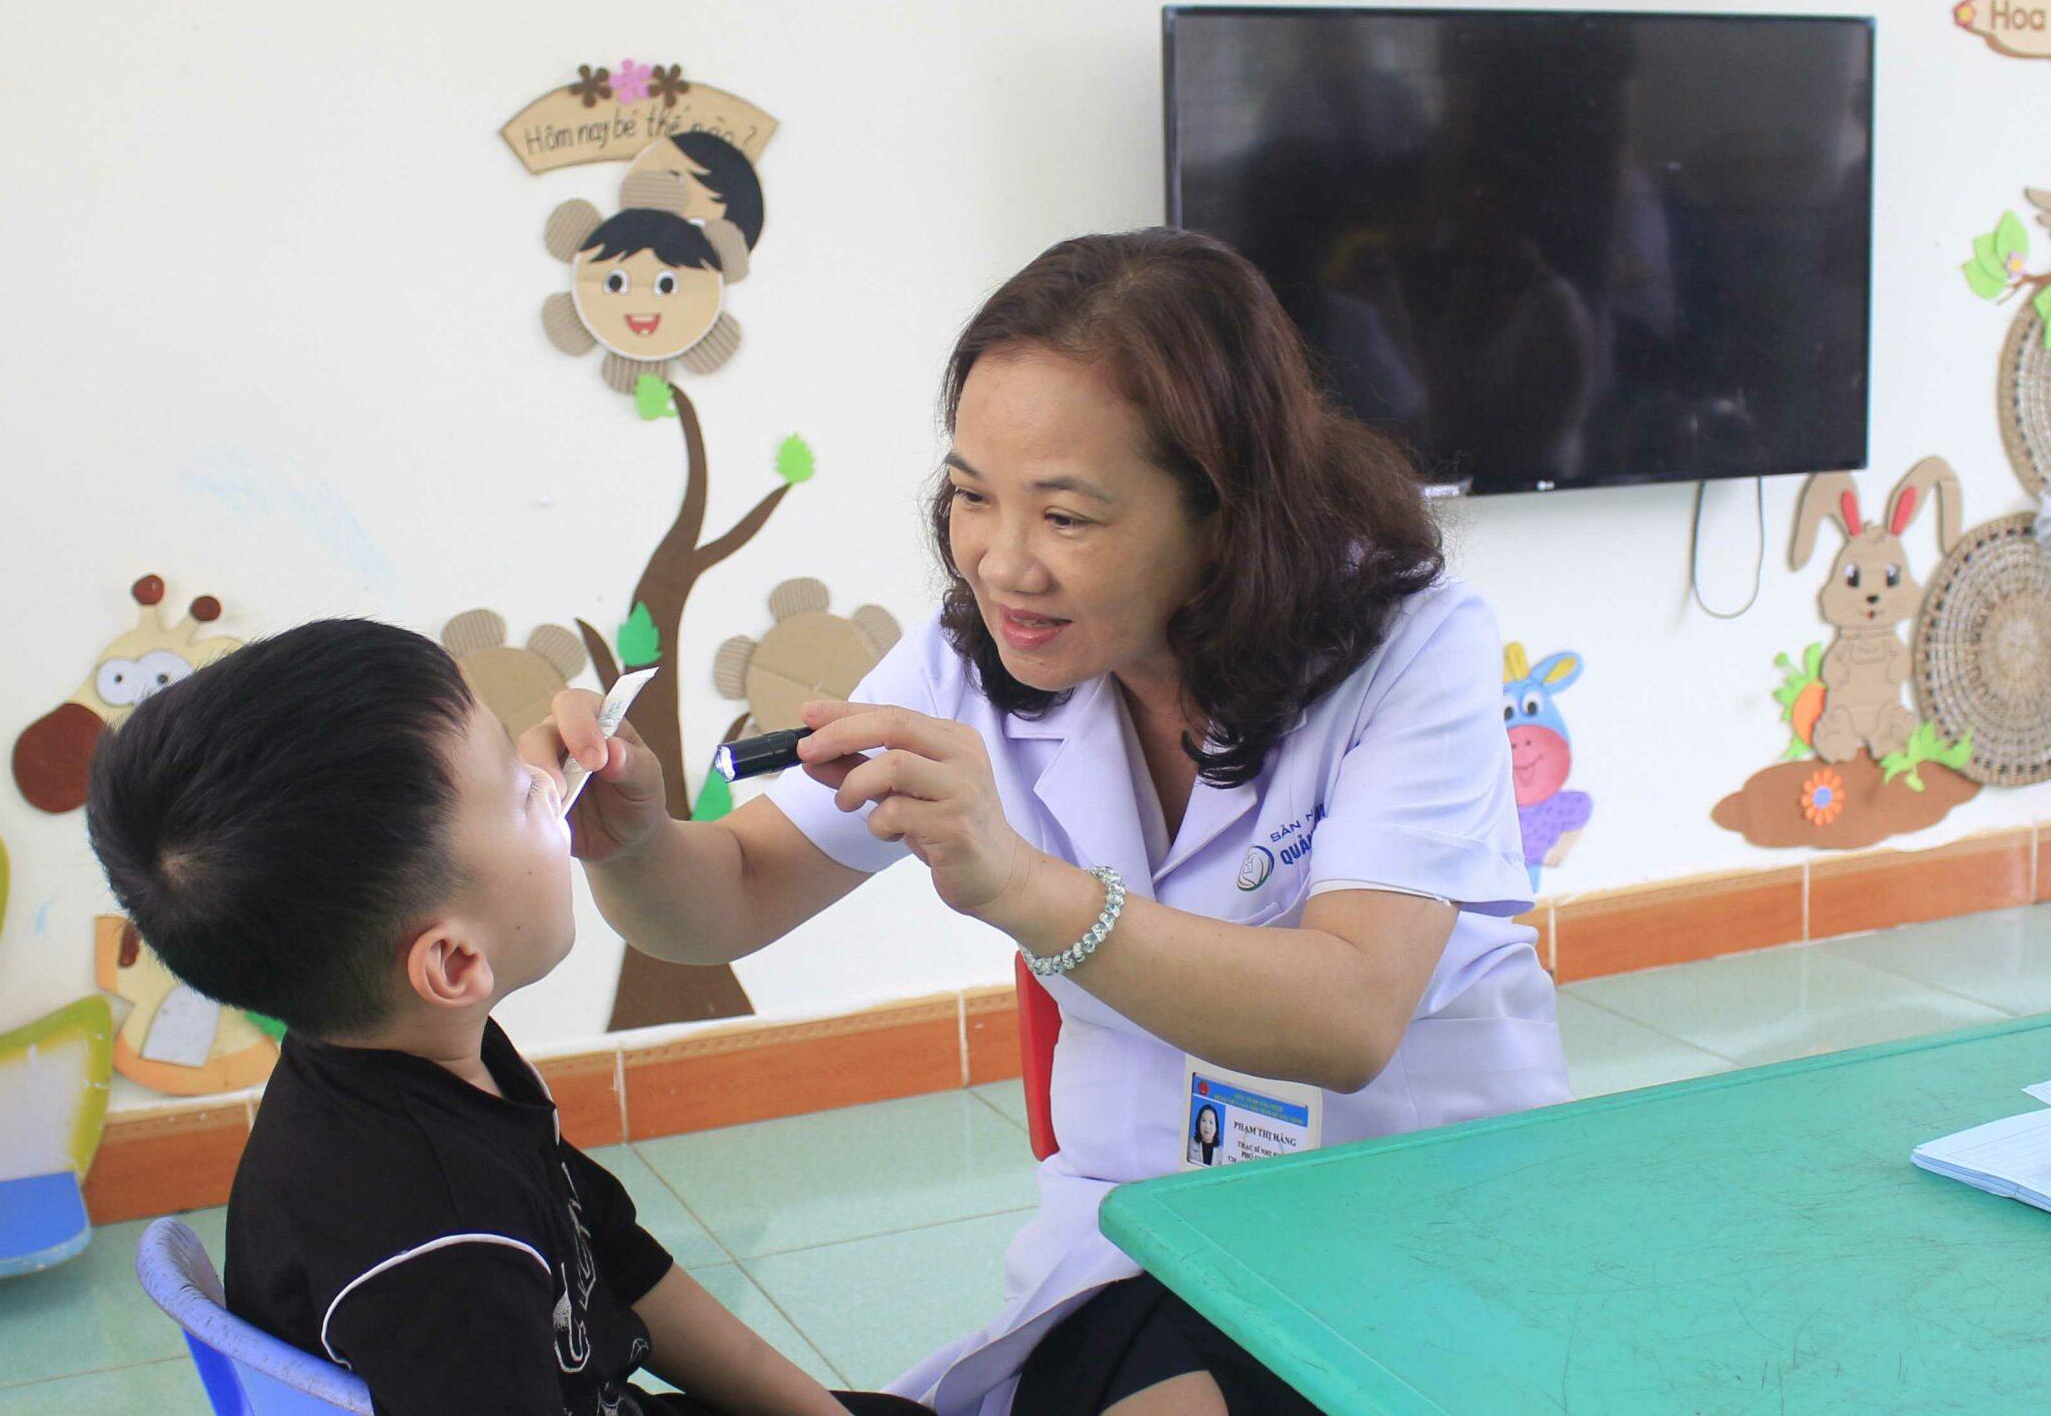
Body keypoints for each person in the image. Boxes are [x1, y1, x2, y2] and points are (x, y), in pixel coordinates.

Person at [532, 228, 1569, 1416]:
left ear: (1223, 510)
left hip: (1414, 1216)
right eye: (972, 496)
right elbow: (730, 895)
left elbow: (1349, 1015)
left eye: (1066, 517)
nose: (1001, 564)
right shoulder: (974, 657)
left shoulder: (1409, 644)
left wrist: (1023, 885)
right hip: (1142, 1234)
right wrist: (634, 841)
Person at [84, 619, 929, 1416]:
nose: (549, 775)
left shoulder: (399, 1057)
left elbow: (618, 1265)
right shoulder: (443, 1260)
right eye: (522, 791)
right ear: (454, 963)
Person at [1185, 1102, 1224, 1167]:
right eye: (1204, 1121)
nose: (1207, 1126)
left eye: (1211, 1122)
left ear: (1216, 1127)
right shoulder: (1189, 1144)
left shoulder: (1222, 1152)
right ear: (1198, 1123)